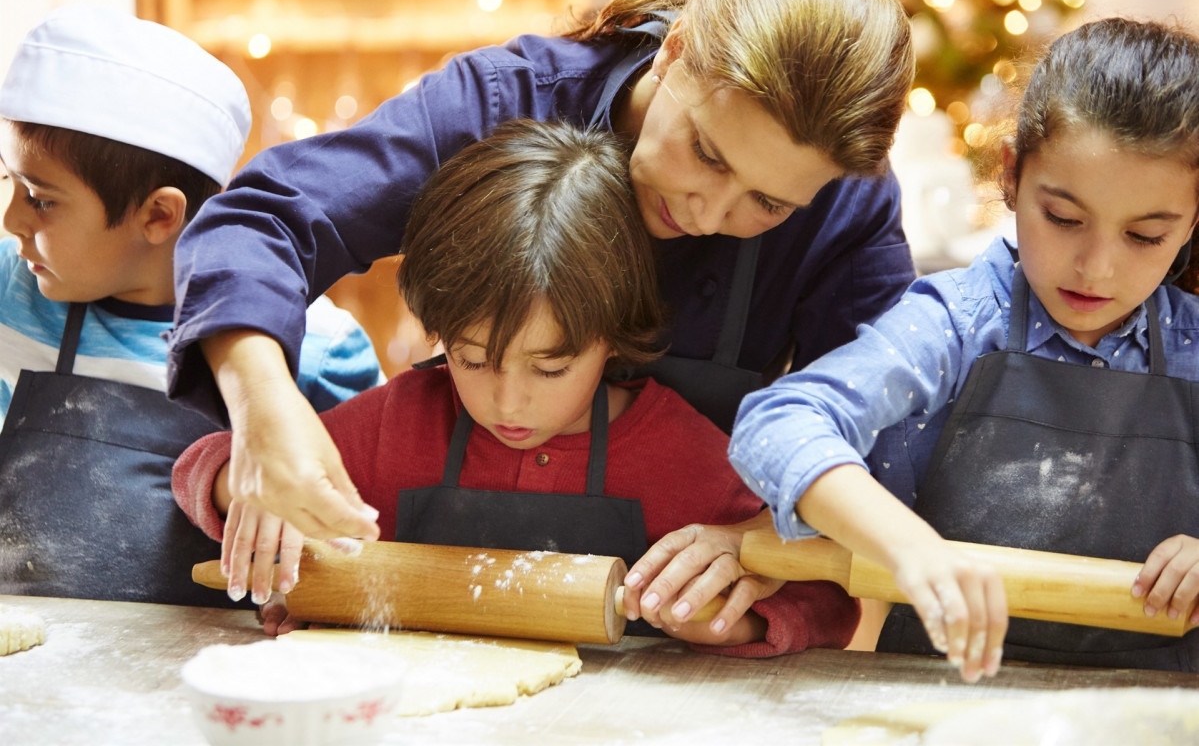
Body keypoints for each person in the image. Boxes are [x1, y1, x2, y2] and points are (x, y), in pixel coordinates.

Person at [163, 0, 918, 572]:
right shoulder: (502, 102)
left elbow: (886, 429)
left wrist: (755, 549)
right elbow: (263, 218)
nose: (707, 215)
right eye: (707, 155)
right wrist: (263, 406)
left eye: (769, 206)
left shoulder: (844, 204)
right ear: (677, 48)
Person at [174, 119, 860, 654]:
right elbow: (196, 469)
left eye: (551, 367)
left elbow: (828, 599)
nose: (508, 402)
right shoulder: (399, 424)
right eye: (472, 359)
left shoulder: (683, 455)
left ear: (613, 336)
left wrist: (743, 623)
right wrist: (247, 486)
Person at [729, 17, 1199, 679]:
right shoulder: (953, 325)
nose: (1095, 267)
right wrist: (911, 549)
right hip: (938, 694)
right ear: (1009, 174)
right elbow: (776, 424)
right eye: (1062, 218)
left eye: (1144, 235)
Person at [0, 6, 382, 606]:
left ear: (158, 215)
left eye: (42, 200)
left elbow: (361, 529)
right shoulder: (8, 292)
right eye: (11, 183)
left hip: (212, 672)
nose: (12, 221)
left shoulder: (320, 349)